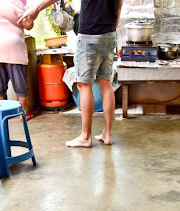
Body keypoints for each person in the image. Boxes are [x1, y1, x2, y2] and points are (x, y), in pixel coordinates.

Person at [20, 0, 123, 147]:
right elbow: (119, 5)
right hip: (109, 34)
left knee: (84, 85)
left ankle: (85, 137)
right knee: (106, 83)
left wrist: (35, 9)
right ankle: (107, 134)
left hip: (89, 34)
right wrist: (112, 29)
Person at [0, 0, 34, 117]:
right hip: (13, 45)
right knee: (19, 83)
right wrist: (31, 21)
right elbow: (27, 25)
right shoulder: (15, 2)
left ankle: (1, 114)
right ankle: (23, 113)